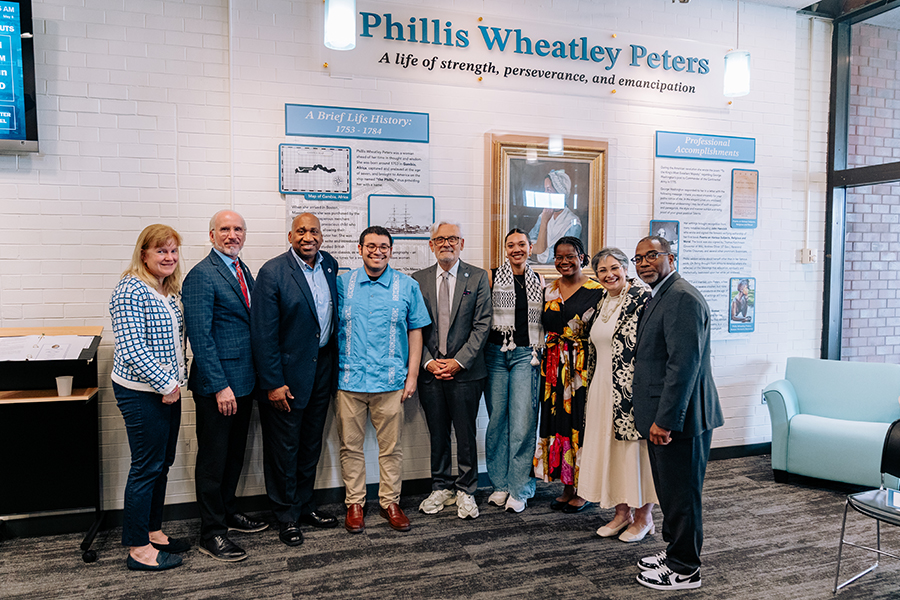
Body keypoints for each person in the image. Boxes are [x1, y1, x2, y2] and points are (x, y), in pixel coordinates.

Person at [630, 236, 724, 591]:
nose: (644, 263)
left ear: (671, 257)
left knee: (683, 497)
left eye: (652, 255)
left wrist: (665, 420)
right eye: (639, 258)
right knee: (670, 493)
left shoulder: (682, 298)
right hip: (667, 416)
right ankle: (674, 552)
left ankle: (685, 569)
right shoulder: (663, 294)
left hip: (681, 420)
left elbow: (682, 367)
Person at [182, 210, 268, 563]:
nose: (233, 235)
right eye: (225, 229)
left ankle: (228, 512)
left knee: (234, 456)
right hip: (218, 387)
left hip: (244, 383)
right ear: (211, 235)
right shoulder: (202, 275)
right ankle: (211, 532)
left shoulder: (241, 269)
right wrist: (220, 386)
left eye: (238, 229)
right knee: (213, 461)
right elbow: (200, 338)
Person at [250, 213, 340, 548]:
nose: (308, 237)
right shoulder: (273, 272)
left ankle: (304, 506)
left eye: (314, 231)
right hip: (286, 378)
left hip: (321, 371)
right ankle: (286, 516)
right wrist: (273, 382)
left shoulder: (329, 265)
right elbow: (263, 334)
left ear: (321, 236)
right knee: (284, 449)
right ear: (290, 236)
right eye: (301, 231)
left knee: (310, 445)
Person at [336, 226, 431, 534]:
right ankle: (354, 503)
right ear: (360, 249)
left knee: (391, 449)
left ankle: (390, 502)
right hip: (349, 382)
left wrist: (412, 375)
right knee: (350, 447)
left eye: (383, 247)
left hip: (390, 383)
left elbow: (416, 331)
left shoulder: (407, 286)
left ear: (391, 250)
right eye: (371, 246)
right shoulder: (342, 284)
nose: (377, 251)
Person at [109, 224, 189, 571]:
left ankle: (153, 531)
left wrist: (175, 384)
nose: (169, 257)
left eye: (173, 251)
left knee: (162, 464)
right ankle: (138, 548)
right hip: (141, 392)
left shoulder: (167, 289)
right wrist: (167, 384)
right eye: (161, 251)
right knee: (146, 468)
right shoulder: (130, 289)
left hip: (169, 390)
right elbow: (131, 349)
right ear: (144, 254)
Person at [578, 247, 658, 543]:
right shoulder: (603, 301)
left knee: (635, 453)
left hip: (630, 390)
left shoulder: (641, 297)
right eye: (602, 270)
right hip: (602, 386)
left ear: (626, 268)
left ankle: (644, 517)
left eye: (615, 268)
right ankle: (622, 513)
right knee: (612, 451)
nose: (609, 274)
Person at [413, 222, 492, 520]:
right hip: (430, 371)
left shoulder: (479, 277)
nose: (446, 243)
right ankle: (441, 486)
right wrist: (428, 362)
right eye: (440, 239)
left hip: (466, 373)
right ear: (431, 245)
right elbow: (413, 326)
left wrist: (458, 362)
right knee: (438, 433)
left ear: (462, 243)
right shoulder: (418, 279)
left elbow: (482, 325)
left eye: (452, 238)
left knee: (466, 433)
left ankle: (466, 489)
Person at [534, 236, 604, 512]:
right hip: (554, 368)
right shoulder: (549, 290)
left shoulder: (597, 291)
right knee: (558, 424)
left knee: (580, 425)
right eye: (559, 257)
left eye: (570, 256)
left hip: (581, 370)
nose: (564, 262)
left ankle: (584, 489)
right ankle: (567, 486)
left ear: (582, 258)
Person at [483, 228, 544, 513]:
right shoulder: (492, 276)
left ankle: (520, 488)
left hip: (526, 355)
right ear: (505, 249)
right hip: (495, 355)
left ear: (530, 248)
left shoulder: (538, 280)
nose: (516, 249)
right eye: (511, 245)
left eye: (522, 244)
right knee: (497, 421)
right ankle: (500, 484)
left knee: (522, 423)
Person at [529, 169, 582, 264]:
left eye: (548, 190)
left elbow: (564, 253)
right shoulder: (544, 215)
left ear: (559, 193)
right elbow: (529, 242)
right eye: (545, 189)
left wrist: (538, 249)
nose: (545, 193)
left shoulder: (573, 222)